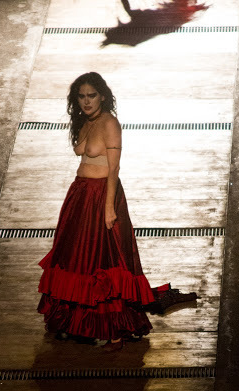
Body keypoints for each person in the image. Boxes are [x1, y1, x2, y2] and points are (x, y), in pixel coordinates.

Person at [37, 72, 196, 352]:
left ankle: (113, 331)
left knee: (102, 257)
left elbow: (114, 169)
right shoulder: (85, 121)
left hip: (101, 195)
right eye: (81, 96)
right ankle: (74, 321)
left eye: (91, 95)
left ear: (102, 96)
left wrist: (109, 207)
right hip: (81, 193)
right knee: (75, 257)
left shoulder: (110, 123)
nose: (86, 101)